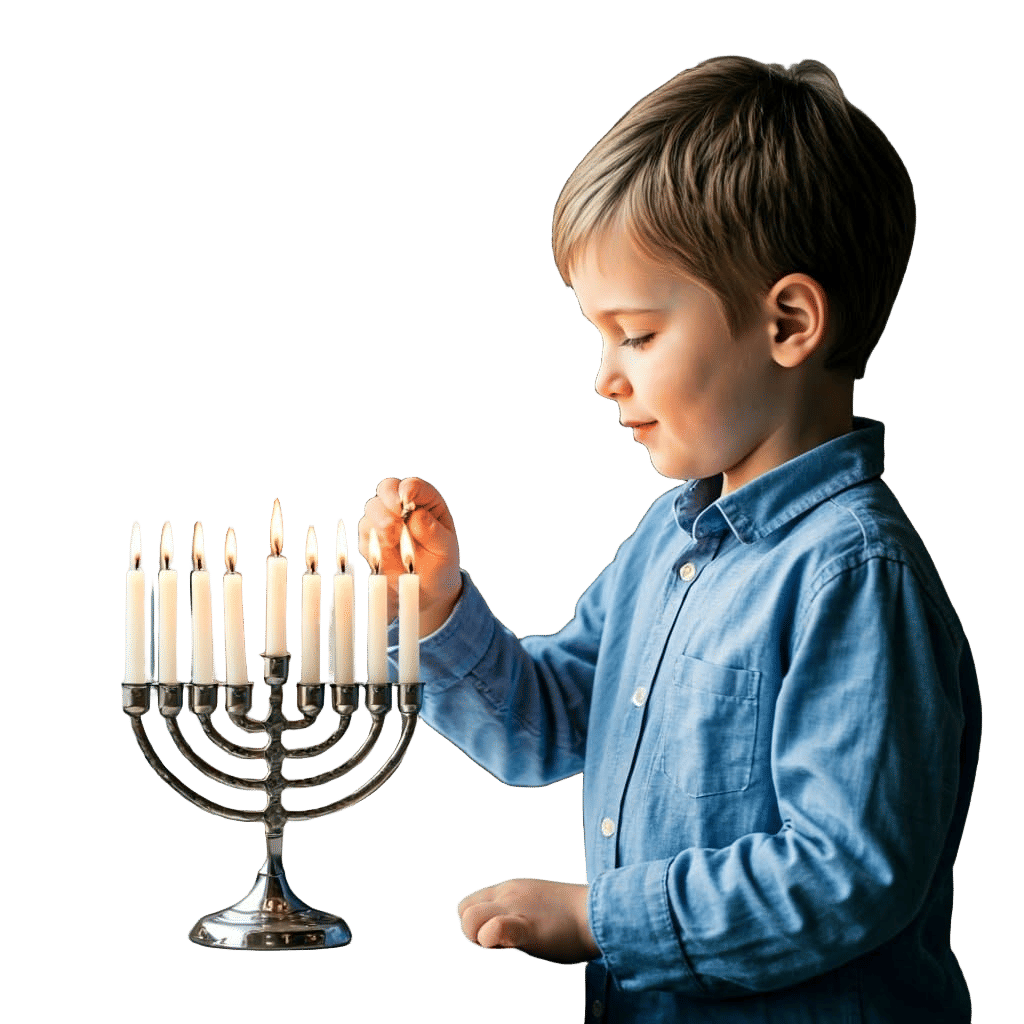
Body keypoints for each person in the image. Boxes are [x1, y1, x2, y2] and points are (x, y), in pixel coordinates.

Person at [357, 55, 981, 1023]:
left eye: (636, 335)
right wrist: (437, 605)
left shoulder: (854, 575)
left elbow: (846, 872)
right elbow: (553, 717)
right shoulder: (668, 539)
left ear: (788, 321)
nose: (604, 376)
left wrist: (601, 918)